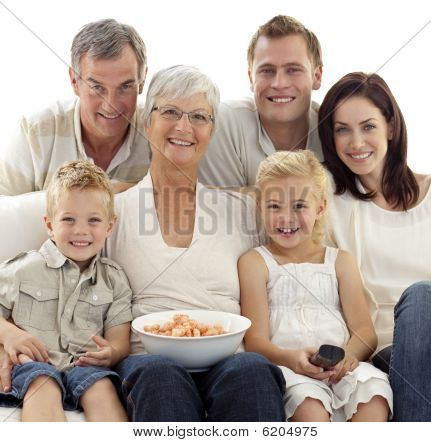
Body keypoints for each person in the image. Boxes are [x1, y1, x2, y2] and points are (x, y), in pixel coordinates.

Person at [106, 65, 286, 422]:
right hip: (147, 362)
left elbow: (298, 259)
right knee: (160, 375)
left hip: (230, 358)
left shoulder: (242, 210)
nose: (184, 127)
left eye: (199, 116)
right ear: (146, 121)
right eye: (170, 111)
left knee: (252, 371)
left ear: (211, 130)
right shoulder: (114, 211)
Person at [318, 72, 431, 421]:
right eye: (342, 129)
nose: (356, 142)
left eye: (368, 126)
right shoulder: (331, 203)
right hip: (388, 354)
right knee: (420, 298)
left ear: (391, 127)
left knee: (426, 297)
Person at [238, 150, 392, 421]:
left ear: (320, 208)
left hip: (345, 369)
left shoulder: (340, 261)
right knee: (310, 409)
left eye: (299, 206)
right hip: (291, 370)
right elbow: (255, 342)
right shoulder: (255, 262)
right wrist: (290, 358)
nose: (287, 217)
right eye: (274, 206)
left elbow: (365, 332)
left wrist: (348, 356)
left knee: (375, 396)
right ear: (260, 206)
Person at [0, 160, 132, 421]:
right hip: (33, 364)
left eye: (93, 220)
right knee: (42, 384)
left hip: (84, 365)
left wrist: (112, 352)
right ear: (49, 224)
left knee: (102, 387)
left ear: (109, 226)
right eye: (68, 219)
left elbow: (120, 339)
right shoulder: (23, 269)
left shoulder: (114, 279)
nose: (80, 230)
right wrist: (9, 333)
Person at [0, 18, 150, 196]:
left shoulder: (161, 133)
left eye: (125, 86)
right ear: (74, 81)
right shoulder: (34, 133)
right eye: (97, 87)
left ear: (142, 81)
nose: (111, 105)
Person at [199, 15, 323, 188]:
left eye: (293, 70)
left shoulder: (336, 130)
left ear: (317, 76)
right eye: (267, 71)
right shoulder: (224, 123)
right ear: (251, 78)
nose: (279, 84)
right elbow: (223, 211)